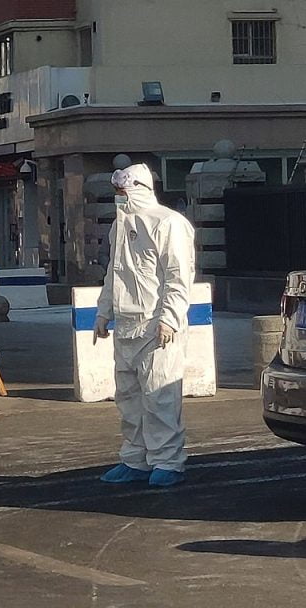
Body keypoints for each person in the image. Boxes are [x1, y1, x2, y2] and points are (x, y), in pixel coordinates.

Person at [94, 163, 196, 488]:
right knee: (129, 399)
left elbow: (178, 276)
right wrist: (103, 312)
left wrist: (169, 318)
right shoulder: (119, 227)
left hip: (155, 327)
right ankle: (135, 458)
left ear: (139, 188)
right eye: (116, 193)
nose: (119, 198)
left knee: (159, 397)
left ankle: (167, 462)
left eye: (123, 192)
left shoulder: (168, 223)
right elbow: (114, 273)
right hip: (126, 326)